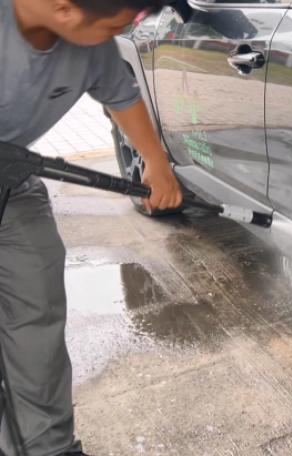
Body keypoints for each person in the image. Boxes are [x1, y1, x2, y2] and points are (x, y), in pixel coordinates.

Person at [0, 0, 182, 454]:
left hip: (12, 183)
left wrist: (157, 163)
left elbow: (121, 94)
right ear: (65, 10)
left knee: (36, 304)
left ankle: (49, 447)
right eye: (120, 24)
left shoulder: (91, 44)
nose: (122, 32)